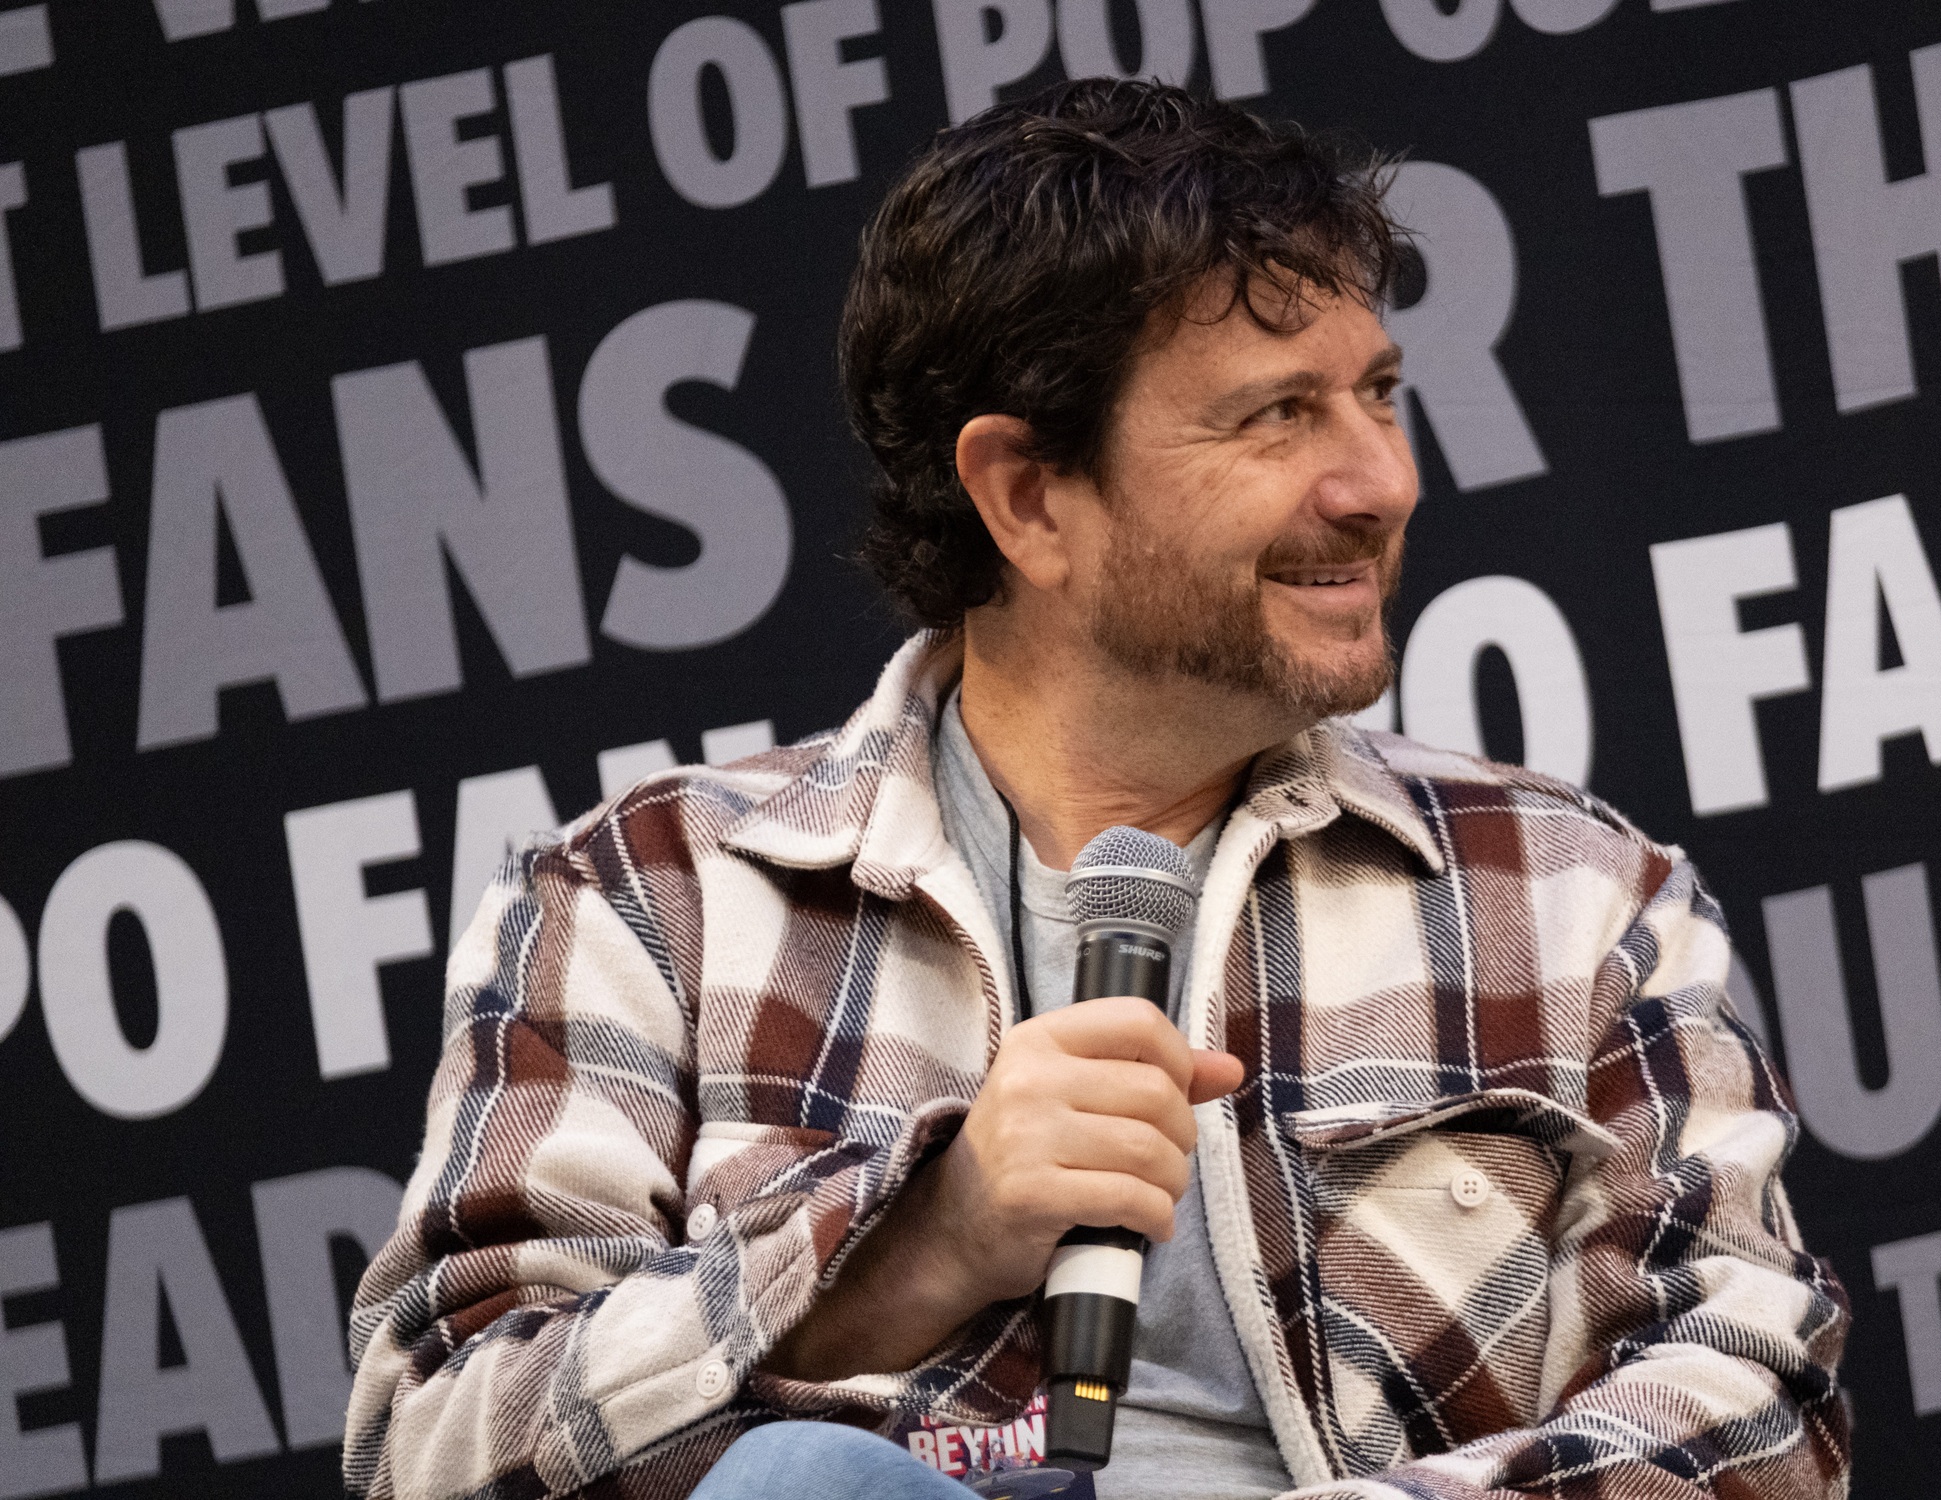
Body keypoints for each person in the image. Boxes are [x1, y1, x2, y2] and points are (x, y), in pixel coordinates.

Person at [345, 79, 1849, 1500]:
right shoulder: (654, 897)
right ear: (1026, 495)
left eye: (1376, 395)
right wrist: (913, 1246)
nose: (1377, 480)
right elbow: (434, 1442)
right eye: (1275, 416)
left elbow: (1758, 1395)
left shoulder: (1569, 895)